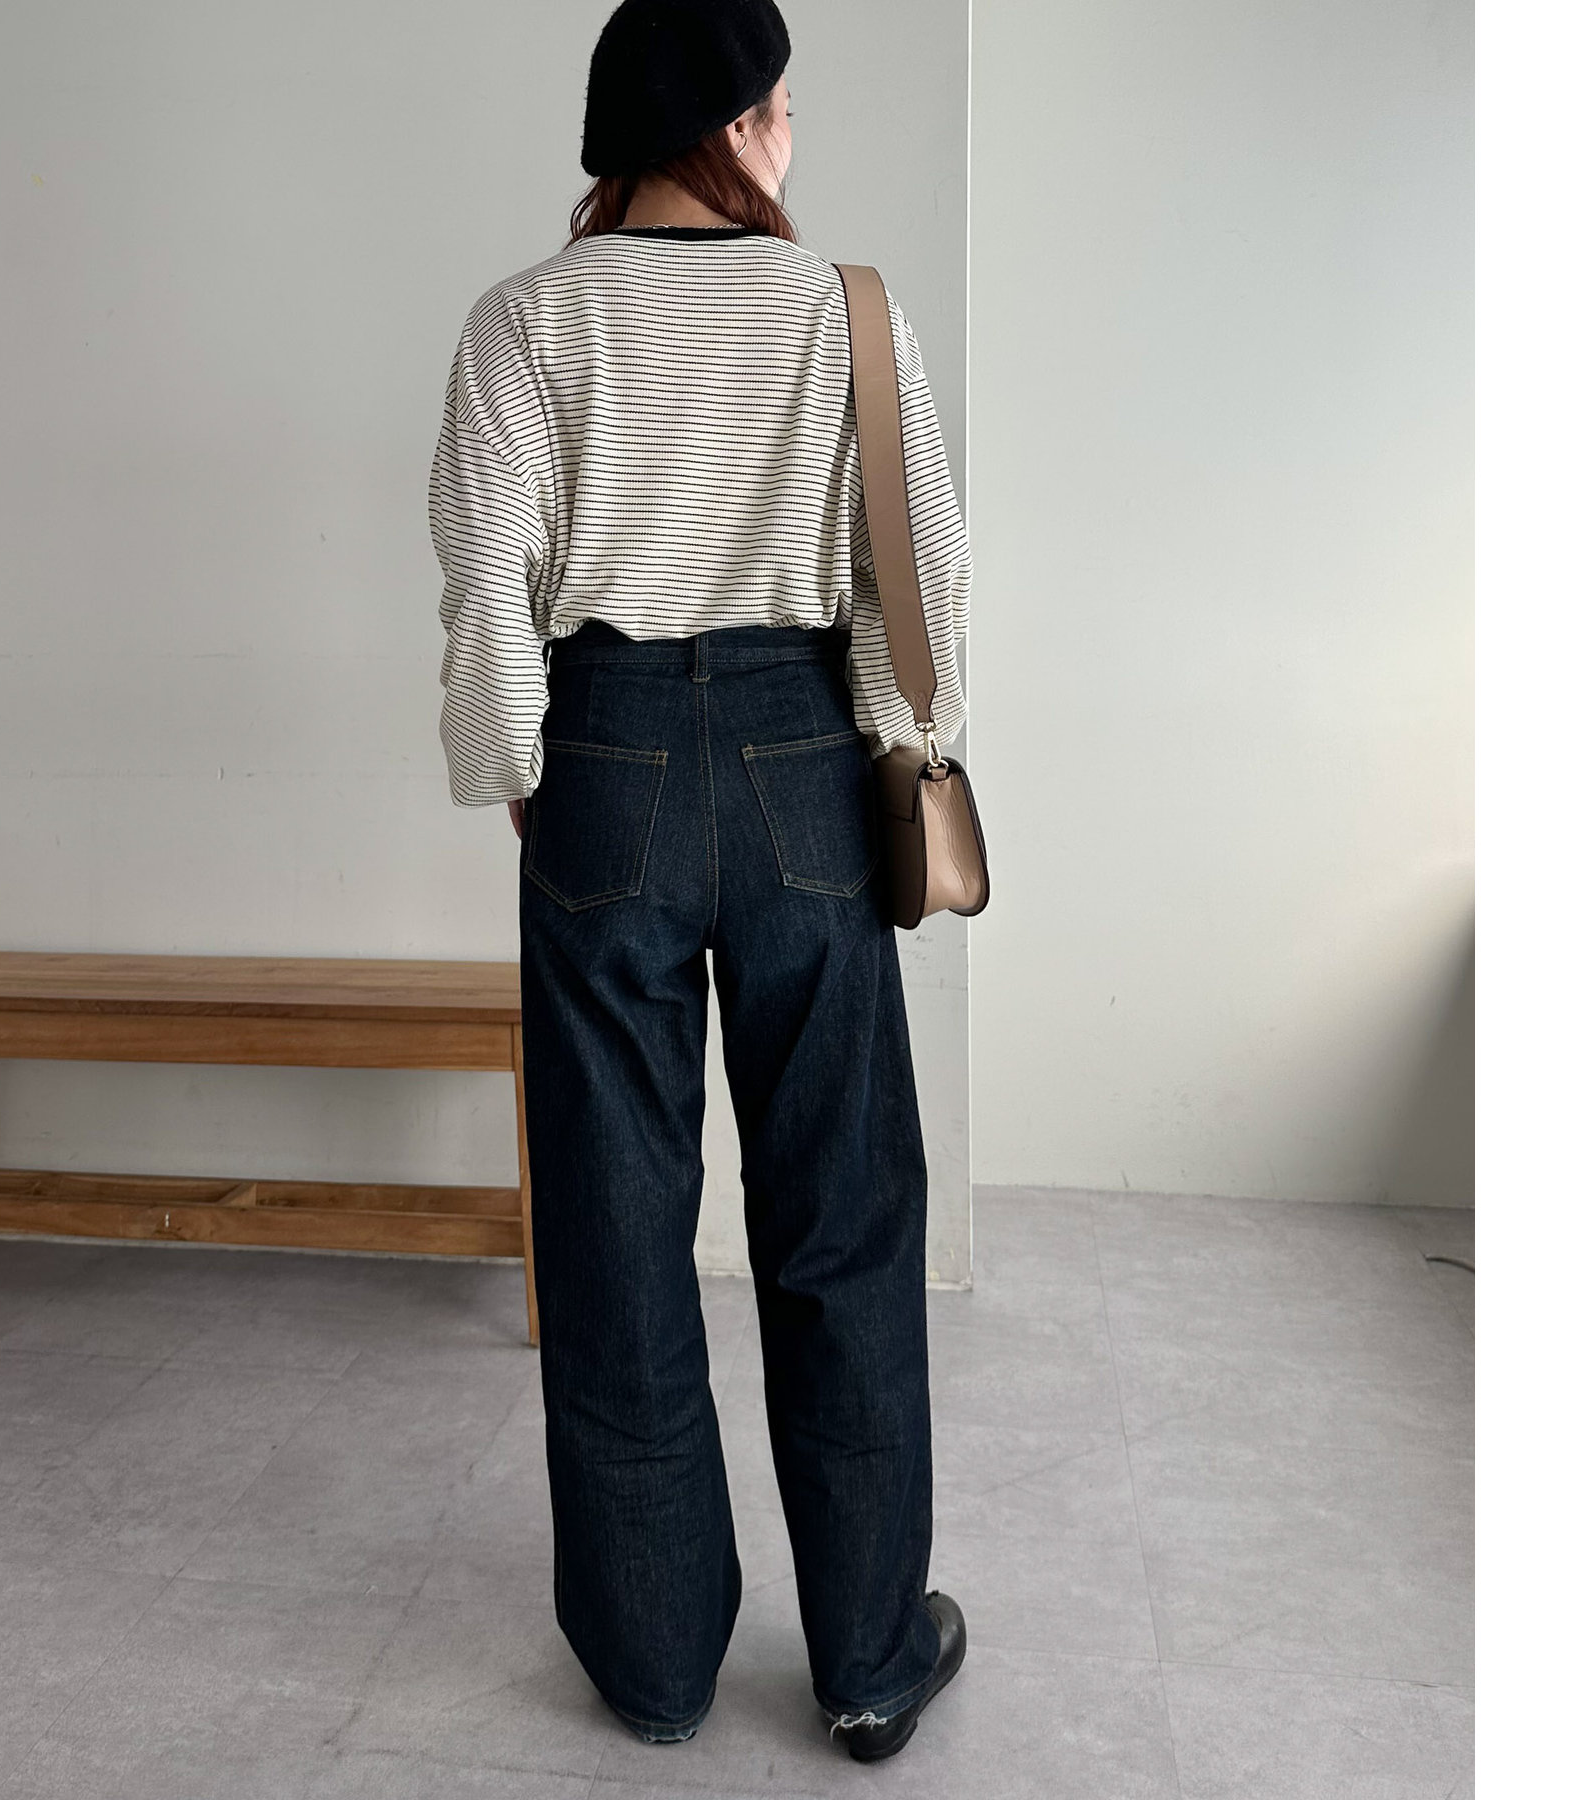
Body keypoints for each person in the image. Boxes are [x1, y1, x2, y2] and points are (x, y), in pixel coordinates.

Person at [427, 0, 969, 1764]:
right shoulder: (841, 311)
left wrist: (528, 774)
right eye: (779, 105)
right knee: (845, 1219)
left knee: (612, 1223)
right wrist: (897, 743)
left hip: (607, 755)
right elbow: (915, 579)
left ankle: (656, 1662)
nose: (790, 134)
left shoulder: (524, 320)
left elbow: (488, 586)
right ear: (731, 125)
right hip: (805, 757)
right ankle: (870, 1654)